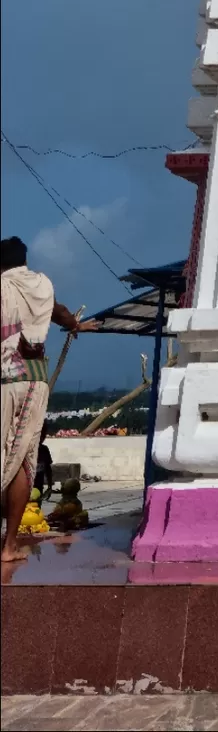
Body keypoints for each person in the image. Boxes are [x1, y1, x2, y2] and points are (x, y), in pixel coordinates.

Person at [2, 237, 87, 565]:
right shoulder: (41, 284)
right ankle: (8, 547)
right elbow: (61, 313)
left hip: (4, 379)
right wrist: (76, 325)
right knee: (23, 460)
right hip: (35, 382)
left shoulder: (2, 286)